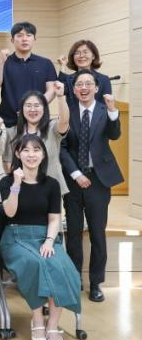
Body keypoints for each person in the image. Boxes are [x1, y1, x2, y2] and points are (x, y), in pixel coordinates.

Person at [0, 134, 81, 340]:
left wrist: (49, 241)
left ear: (43, 154)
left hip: (45, 237)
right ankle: (37, 320)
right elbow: (9, 212)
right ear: (18, 154)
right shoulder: (7, 181)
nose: (31, 154)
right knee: (36, 264)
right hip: (15, 237)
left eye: (36, 150)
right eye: (25, 150)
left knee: (62, 266)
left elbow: (54, 219)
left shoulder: (52, 184)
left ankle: (52, 326)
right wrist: (17, 184)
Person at [60, 69, 123, 302]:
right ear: (74, 89)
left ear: (97, 88)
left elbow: (115, 135)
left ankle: (96, 283)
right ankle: (74, 278)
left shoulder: (105, 110)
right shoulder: (67, 111)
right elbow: (62, 147)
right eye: (79, 84)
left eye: (88, 84)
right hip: (73, 180)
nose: (84, 88)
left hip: (99, 180)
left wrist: (113, 110)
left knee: (98, 233)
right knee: (74, 232)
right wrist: (76, 174)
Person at [3, 83, 70, 195]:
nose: (32, 109)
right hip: (22, 188)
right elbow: (8, 161)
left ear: (44, 109)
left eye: (37, 105)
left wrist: (60, 97)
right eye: (28, 105)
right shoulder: (12, 132)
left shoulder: (52, 128)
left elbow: (64, 121)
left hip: (51, 188)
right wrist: (17, 185)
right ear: (22, 109)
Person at [0, 21, 57, 128]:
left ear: (34, 39)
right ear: (12, 40)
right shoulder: (2, 61)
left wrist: (34, 108)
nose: (24, 39)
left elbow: (52, 90)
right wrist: (2, 62)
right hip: (8, 122)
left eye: (29, 35)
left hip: (37, 122)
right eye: (19, 35)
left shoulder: (46, 63)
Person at [57, 40, 113, 110]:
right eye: (77, 53)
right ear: (73, 57)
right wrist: (63, 65)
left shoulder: (104, 79)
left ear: (93, 56)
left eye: (85, 52)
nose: (81, 56)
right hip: (72, 117)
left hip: (98, 116)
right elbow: (59, 89)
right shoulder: (68, 79)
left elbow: (106, 106)